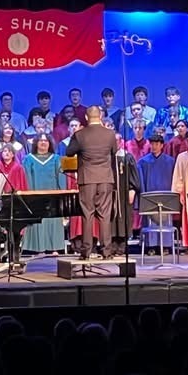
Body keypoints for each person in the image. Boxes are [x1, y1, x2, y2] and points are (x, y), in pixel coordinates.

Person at [65, 105, 119, 260]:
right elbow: (114, 152)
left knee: (87, 214)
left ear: (87, 118)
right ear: (100, 116)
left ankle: (86, 251)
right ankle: (106, 251)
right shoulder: (110, 134)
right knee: (105, 214)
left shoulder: (80, 134)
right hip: (105, 178)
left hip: (87, 178)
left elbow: (69, 152)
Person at [21, 133, 66, 254]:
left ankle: (53, 247)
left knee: (53, 221)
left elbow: (61, 178)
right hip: (35, 196)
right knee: (38, 222)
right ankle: (37, 248)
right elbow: (26, 179)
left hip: (53, 196)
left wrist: (62, 193)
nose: (43, 143)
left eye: (46, 141)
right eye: (40, 140)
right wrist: (29, 195)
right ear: (36, 143)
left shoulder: (56, 159)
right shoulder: (29, 159)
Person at [138, 135, 176, 252]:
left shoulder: (170, 162)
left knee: (165, 221)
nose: (154, 146)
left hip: (166, 197)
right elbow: (141, 181)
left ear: (161, 145)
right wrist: (143, 198)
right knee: (149, 222)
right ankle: (151, 246)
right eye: (152, 144)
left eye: (156, 144)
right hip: (150, 196)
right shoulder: (143, 162)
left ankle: (165, 246)